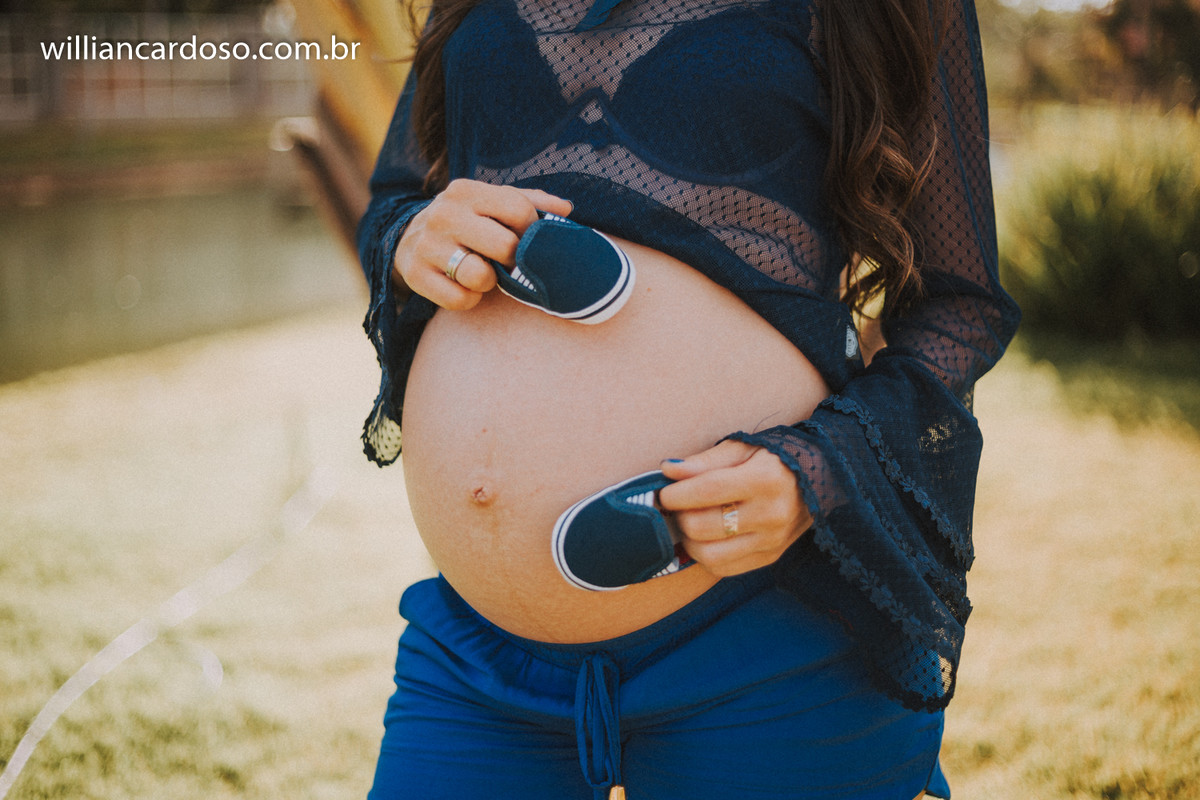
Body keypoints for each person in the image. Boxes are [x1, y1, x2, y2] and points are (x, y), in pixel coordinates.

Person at [354, 0, 1019, 796]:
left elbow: (958, 305)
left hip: (766, 636)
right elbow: (400, 193)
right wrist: (413, 236)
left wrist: (819, 470)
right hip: (476, 658)